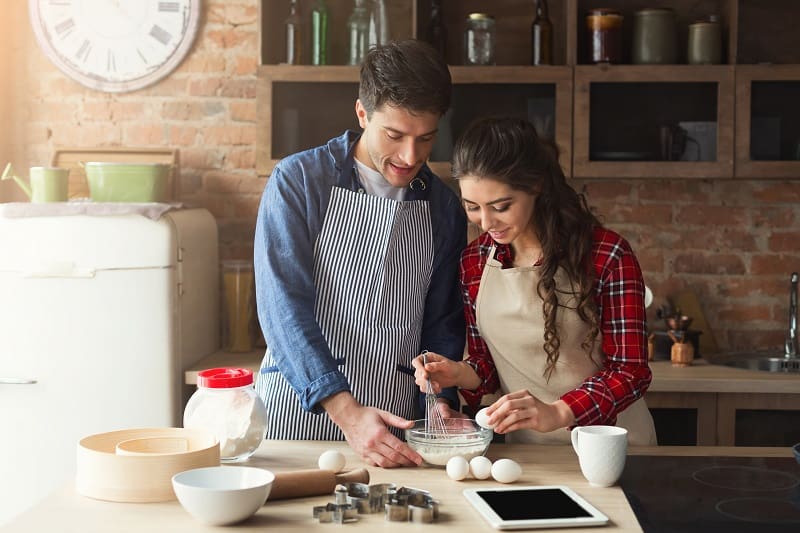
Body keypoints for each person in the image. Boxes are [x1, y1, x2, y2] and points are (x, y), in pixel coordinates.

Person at [253, 40, 467, 467]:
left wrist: (439, 402)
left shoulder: (443, 207)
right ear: (362, 113)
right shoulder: (299, 181)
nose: (411, 156)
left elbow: (440, 325)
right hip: (298, 419)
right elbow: (282, 309)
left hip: (396, 428)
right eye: (395, 135)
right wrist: (346, 413)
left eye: (426, 138)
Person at [412, 116, 657, 445]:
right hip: (530, 457)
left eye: (501, 206)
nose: (486, 223)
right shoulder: (474, 262)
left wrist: (558, 412)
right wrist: (458, 373)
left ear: (536, 186)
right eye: (472, 207)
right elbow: (487, 364)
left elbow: (631, 371)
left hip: (611, 448)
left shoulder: (606, 255)